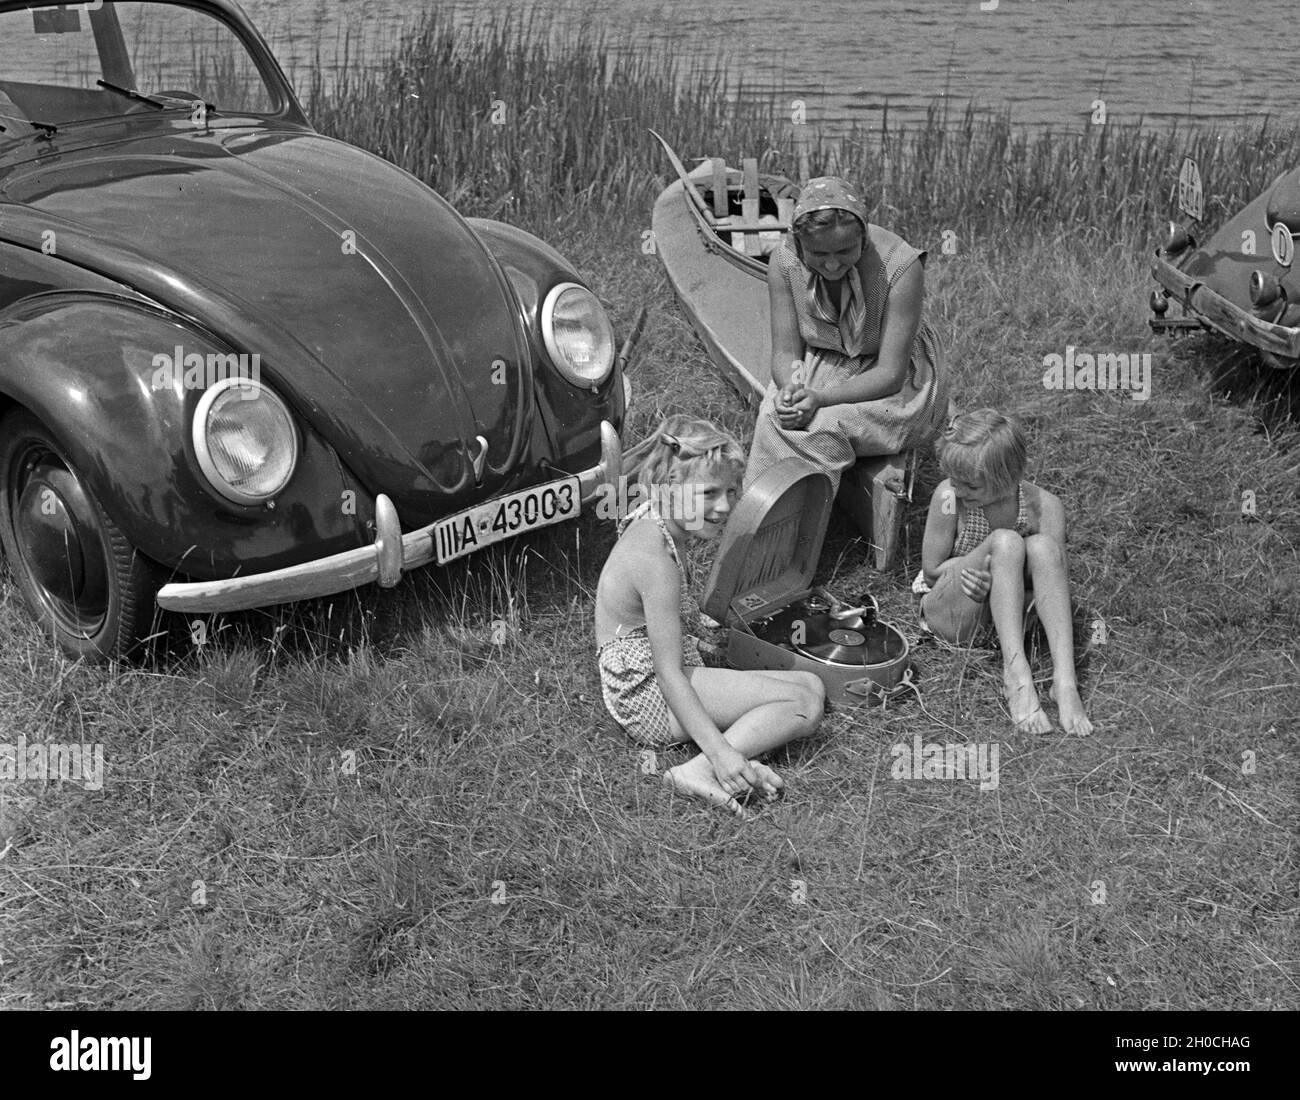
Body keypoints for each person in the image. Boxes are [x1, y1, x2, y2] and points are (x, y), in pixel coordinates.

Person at [595, 414, 825, 814]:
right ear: (668, 489)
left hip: (655, 670)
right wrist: (720, 752)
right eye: (708, 493)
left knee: (811, 685)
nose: (724, 506)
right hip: (646, 692)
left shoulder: (663, 524)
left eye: (732, 491)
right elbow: (668, 673)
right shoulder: (655, 557)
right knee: (803, 706)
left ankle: (741, 756)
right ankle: (702, 768)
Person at [744, 176, 948, 496]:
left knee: (826, 425)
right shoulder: (784, 261)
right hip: (824, 360)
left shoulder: (901, 267)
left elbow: (890, 374)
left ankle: (806, 519)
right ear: (799, 244)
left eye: (844, 250)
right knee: (773, 417)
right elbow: (786, 353)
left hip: (891, 378)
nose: (831, 263)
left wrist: (821, 400)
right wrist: (790, 390)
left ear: (864, 238)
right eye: (817, 253)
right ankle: (763, 515)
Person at [914, 408, 1093, 737]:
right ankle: (1016, 674)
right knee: (1006, 542)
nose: (959, 488)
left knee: (1043, 548)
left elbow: (1050, 588)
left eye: (971, 485)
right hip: (953, 609)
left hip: (1011, 619)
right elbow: (932, 571)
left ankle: (1065, 682)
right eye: (954, 479)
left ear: (1009, 478)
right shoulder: (950, 498)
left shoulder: (1045, 506)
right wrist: (976, 571)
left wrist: (999, 583)